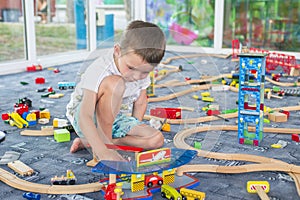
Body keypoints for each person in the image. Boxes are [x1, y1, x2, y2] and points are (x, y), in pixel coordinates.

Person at [66, 20, 166, 161]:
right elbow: (85, 116)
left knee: (156, 139)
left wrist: (133, 125)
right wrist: (104, 152)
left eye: (144, 72)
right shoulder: (100, 69)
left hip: (115, 118)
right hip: (85, 117)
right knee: (115, 83)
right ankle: (103, 144)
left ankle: (95, 142)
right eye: (131, 68)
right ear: (118, 51)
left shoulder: (140, 70)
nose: (136, 77)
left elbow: (140, 102)